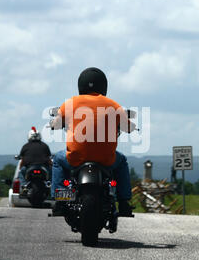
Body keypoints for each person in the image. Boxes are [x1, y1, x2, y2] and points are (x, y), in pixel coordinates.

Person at [50, 67, 136, 216]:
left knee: (57, 159)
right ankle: (123, 202)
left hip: (75, 158)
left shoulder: (70, 103)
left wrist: (55, 124)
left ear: (80, 85)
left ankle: (60, 201)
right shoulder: (114, 105)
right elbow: (129, 128)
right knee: (122, 162)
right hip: (105, 159)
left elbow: (56, 124)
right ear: (103, 85)